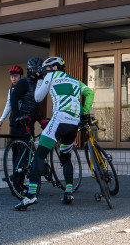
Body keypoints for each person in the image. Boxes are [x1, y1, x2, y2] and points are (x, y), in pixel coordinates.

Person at [15, 55, 94, 210]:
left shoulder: (50, 76)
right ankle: (69, 192)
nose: (44, 71)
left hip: (60, 120)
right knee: (65, 157)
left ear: (55, 67)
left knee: (40, 154)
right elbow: (90, 93)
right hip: (73, 123)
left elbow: (37, 98)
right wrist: (84, 111)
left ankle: (31, 196)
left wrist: (39, 81)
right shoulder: (74, 80)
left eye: (46, 68)